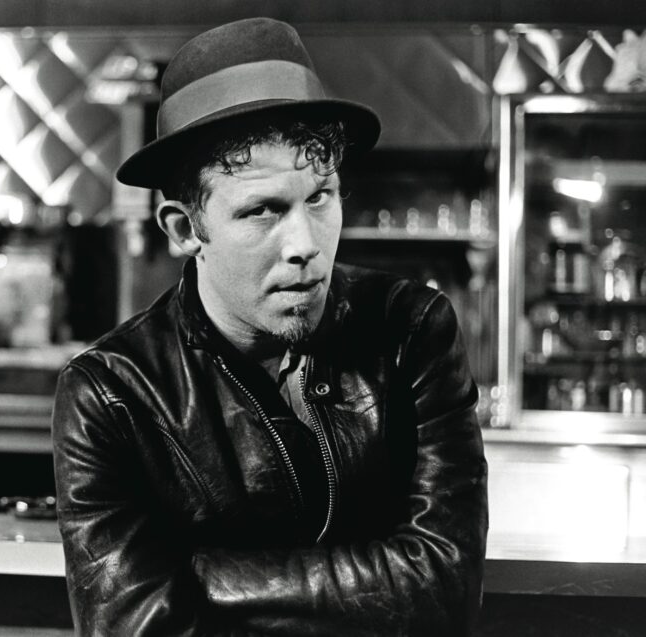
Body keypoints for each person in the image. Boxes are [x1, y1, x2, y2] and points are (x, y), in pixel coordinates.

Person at [52, 17, 488, 636]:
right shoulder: (113, 393)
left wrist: (202, 577)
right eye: (263, 211)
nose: (305, 244)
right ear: (184, 231)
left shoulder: (410, 328)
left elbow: (445, 587)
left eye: (321, 197)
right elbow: (131, 625)